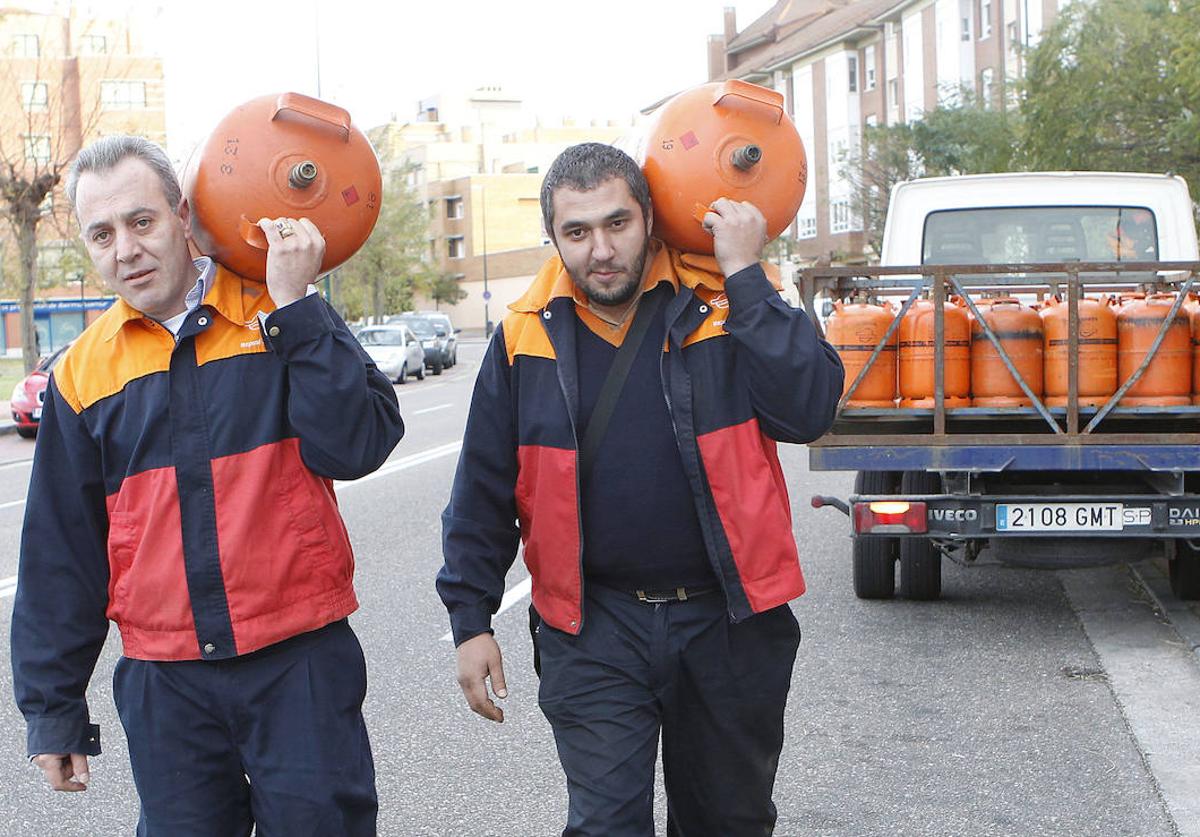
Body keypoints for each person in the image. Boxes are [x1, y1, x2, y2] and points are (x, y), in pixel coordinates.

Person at [437, 142, 844, 835]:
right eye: (578, 231)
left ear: (650, 219)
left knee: (729, 822)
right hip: (595, 626)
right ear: (555, 238)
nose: (601, 249)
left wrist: (745, 272)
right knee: (605, 824)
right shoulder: (522, 338)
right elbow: (482, 487)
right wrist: (470, 620)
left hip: (728, 622)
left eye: (617, 224)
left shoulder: (721, 303)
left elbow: (809, 409)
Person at [10, 135, 403, 835]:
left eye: (141, 221)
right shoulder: (81, 374)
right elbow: (59, 554)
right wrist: (53, 707)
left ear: (183, 215)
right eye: (102, 233)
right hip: (167, 684)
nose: (125, 249)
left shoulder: (278, 310)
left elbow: (361, 442)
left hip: (299, 662)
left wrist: (298, 310)